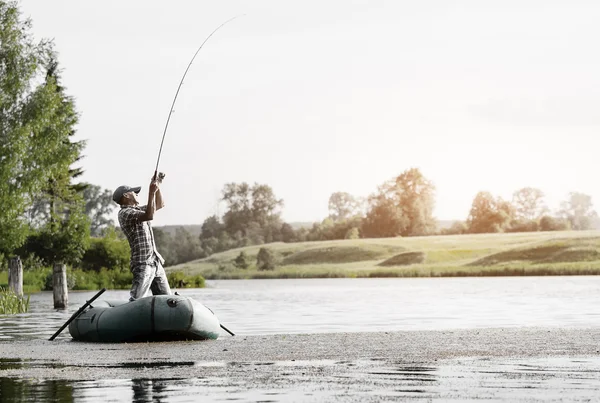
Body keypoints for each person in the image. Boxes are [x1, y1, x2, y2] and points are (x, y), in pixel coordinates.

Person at [113, 175, 171, 301]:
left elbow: (159, 204)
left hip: (155, 262)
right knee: (137, 300)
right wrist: (151, 193)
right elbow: (149, 215)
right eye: (135, 192)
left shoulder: (137, 209)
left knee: (167, 301)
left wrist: (157, 187)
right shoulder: (125, 213)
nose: (137, 194)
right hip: (143, 263)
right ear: (127, 196)